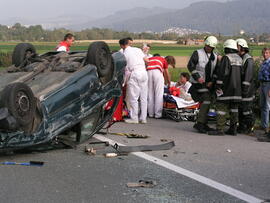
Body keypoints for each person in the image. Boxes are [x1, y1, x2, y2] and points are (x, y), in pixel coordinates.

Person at [208, 39, 243, 136]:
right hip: (237, 91)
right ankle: (233, 129)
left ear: (227, 48)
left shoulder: (226, 58)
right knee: (234, 109)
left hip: (226, 89)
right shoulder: (240, 59)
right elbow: (242, 74)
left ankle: (220, 129)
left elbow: (223, 74)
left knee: (221, 108)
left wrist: (218, 86)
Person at [187, 36, 219, 133]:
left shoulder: (216, 57)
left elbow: (216, 71)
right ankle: (200, 123)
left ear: (213, 47)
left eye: (210, 46)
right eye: (207, 45)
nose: (208, 47)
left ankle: (203, 123)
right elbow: (190, 66)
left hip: (208, 84)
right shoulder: (197, 53)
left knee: (209, 101)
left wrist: (212, 81)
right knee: (206, 99)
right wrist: (197, 77)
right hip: (197, 84)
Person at [119, 38, 149, 124]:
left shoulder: (123, 53)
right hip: (144, 72)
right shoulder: (137, 49)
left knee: (133, 98)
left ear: (121, 45)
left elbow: (124, 68)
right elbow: (147, 60)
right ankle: (143, 118)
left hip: (135, 73)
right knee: (143, 97)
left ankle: (134, 118)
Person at [236, 39, 255, 134]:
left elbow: (247, 77)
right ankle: (242, 127)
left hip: (247, 90)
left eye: (237, 46)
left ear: (242, 47)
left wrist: (244, 90)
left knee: (246, 109)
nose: (236, 48)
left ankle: (250, 126)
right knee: (241, 109)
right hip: (242, 89)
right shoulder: (241, 58)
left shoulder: (248, 59)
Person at [257, 48, 270, 142]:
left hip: (268, 84)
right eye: (263, 53)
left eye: (266, 53)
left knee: (266, 106)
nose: (265, 54)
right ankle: (263, 125)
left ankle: (266, 127)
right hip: (262, 85)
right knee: (262, 105)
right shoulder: (263, 63)